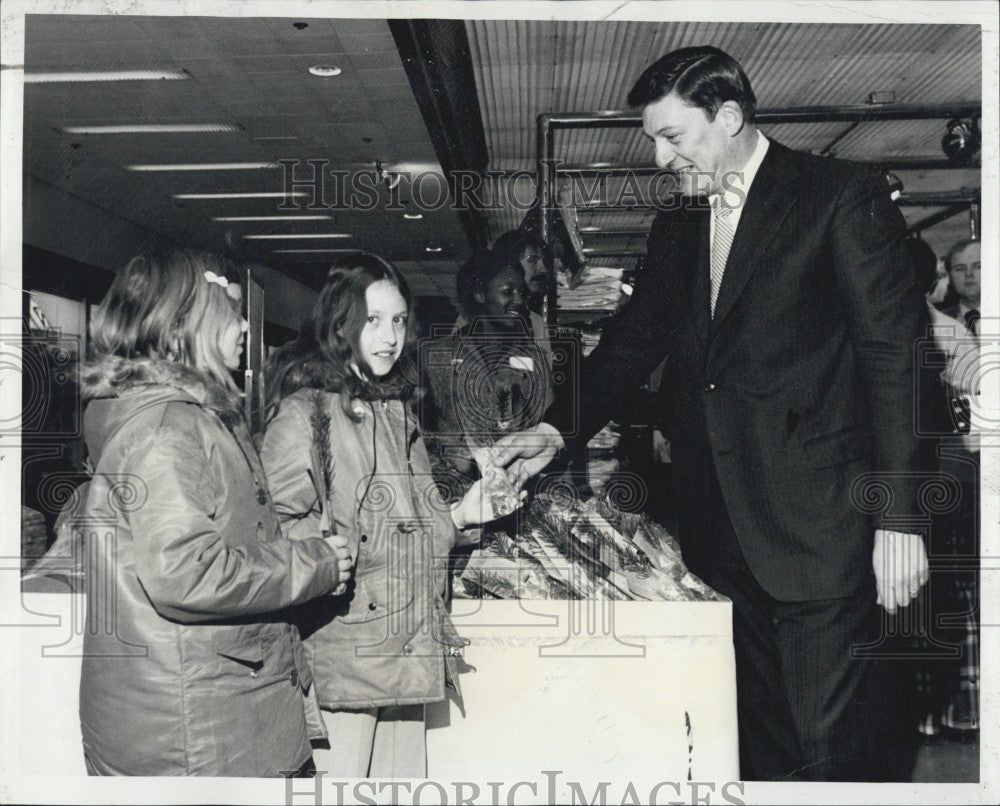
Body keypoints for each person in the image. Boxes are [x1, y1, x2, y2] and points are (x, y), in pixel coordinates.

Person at [497, 46, 934, 781]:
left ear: (729, 118)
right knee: (755, 749)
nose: (662, 158)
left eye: (674, 137)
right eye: (654, 141)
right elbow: (630, 347)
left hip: (819, 528)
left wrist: (900, 517)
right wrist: (552, 426)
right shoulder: (676, 228)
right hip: (718, 531)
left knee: (832, 755)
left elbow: (900, 360)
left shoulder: (837, 195)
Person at [77, 250, 353, 777]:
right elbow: (187, 573)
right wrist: (314, 563)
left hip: (196, 716)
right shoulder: (168, 428)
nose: (247, 325)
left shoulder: (174, 418)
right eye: (230, 310)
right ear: (182, 327)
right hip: (201, 735)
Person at [260, 252, 519, 777]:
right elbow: (270, 532)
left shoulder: (394, 409)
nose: (389, 336)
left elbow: (415, 526)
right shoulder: (305, 411)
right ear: (339, 323)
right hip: (346, 660)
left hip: (407, 653)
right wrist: (330, 548)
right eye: (373, 319)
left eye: (398, 320)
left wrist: (465, 514)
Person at [422, 248, 554, 484]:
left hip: (516, 488)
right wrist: (450, 452)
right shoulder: (437, 356)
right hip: (450, 494)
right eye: (508, 292)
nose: (519, 300)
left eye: (521, 292)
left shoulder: (535, 360)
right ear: (480, 295)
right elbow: (415, 430)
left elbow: (546, 426)